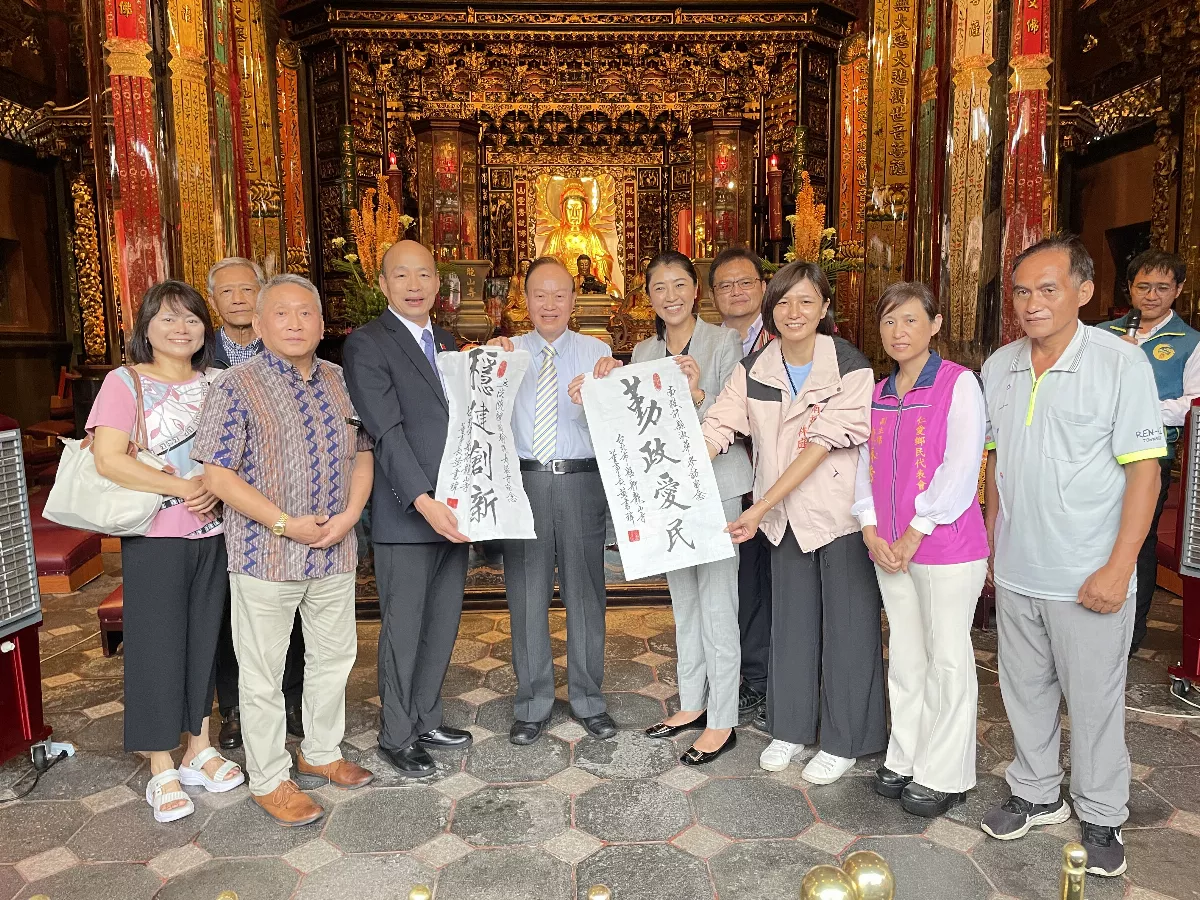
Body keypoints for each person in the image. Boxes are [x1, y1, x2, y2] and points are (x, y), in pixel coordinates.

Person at [979, 234, 1165, 877]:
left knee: (1094, 700)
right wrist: (991, 543)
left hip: (1089, 571)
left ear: (1083, 293)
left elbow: (1145, 474)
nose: (1033, 303)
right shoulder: (999, 365)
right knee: (1023, 691)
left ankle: (1102, 810)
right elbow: (997, 459)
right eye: (1023, 291)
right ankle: (1034, 792)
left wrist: (1119, 569)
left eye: (1048, 289)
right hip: (1018, 565)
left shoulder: (1121, 364)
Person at [194, 274, 375, 827]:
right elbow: (218, 475)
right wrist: (283, 523)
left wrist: (347, 517)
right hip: (266, 554)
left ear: (322, 324)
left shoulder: (342, 380)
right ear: (259, 322)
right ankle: (270, 777)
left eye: (306, 314)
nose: (296, 324)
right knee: (262, 669)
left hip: (333, 549)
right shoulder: (236, 385)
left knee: (334, 656)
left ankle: (321, 751)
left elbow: (363, 453)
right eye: (282, 314)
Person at [701, 260, 886, 785]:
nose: (793, 312)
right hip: (783, 521)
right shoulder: (755, 367)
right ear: (770, 310)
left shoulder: (850, 366)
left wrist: (757, 509)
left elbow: (818, 448)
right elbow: (720, 422)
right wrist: (678, 457)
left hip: (837, 518)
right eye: (783, 302)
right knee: (792, 627)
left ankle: (847, 739)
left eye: (806, 301)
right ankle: (791, 727)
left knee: (848, 629)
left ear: (825, 307)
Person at [88, 281, 242, 824]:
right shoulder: (124, 381)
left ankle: (198, 747)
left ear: (207, 328)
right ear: (146, 328)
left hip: (216, 534)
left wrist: (217, 491)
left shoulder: (220, 383)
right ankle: (160, 764)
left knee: (206, 640)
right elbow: (109, 459)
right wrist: (184, 488)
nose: (182, 329)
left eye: (193, 319)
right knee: (156, 647)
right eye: (168, 319)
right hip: (155, 536)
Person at [851, 282, 989, 817]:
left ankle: (945, 771)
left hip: (945, 546)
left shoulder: (958, 384)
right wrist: (869, 527)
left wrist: (916, 529)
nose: (899, 332)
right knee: (906, 656)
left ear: (934, 325)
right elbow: (863, 465)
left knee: (947, 658)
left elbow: (960, 467)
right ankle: (905, 755)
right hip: (887, 547)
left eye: (910, 320)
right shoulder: (878, 391)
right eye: (889, 322)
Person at [342, 240, 473, 779]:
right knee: (402, 627)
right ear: (383, 284)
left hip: (456, 511)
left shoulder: (445, 341)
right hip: (408, 513)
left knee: (441, 623)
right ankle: (397, 733)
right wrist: (423, 500)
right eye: (402, 276)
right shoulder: (367, 344)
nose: (415, 285)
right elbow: (386, 430)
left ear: (438, 283)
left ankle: (426, 716)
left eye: (424, 274)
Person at [489, 257, 622, 745]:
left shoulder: (597, 351)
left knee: (586, 590)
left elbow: (613, 425)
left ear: (574, 300)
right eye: (539, 295)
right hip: (524, 482)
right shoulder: (507, 352)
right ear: (525, 301)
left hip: (582, 480)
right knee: (526, 593)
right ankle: (532, 702)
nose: (549, 304)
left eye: (559, 294)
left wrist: (604, 391)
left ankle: (589, 698)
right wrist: (490, 362)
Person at [625, 251, 751, 764]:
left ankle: (723, 719)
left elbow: (736, 410)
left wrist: (696, 390)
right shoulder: (642, 351)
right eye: (660, 287)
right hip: (668, 491)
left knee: (719, 602)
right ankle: (692, 703)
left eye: (680, 285)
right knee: (684, 603)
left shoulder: (725, 341)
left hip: (718, 485)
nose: (671, 296)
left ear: (695, 291)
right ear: (649, 296)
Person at [206, 257, 306, 752]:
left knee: (294, 604)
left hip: (288, 505)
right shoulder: (201, 356)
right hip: (220, 503)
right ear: (214, 302)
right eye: (229, 292)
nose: (241, 299)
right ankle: (236, 709)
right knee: (233, 614)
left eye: (250, 289)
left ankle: (292, 699)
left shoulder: (296, 351)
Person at [1098, 250, 1198, 655]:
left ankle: (1131, 633)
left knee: (1138, 538)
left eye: (1162, 287)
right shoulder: (1101, 333)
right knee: (1095, 534)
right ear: (1129, 288)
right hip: (1097, 452)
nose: (1151, 295)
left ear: (1178, 289)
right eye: (1143, 286)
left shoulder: (1189, 343)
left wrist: (1138, 405)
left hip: (1151, 455)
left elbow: (1192, 404)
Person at [709, 246, 773, 719]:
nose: (736, 291)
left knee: (767, 583)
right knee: (739, 582)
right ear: (711, 295)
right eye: (725, 285)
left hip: (772, 480)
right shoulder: (708, 342)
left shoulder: (779, 338)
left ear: (763, 287)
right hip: (727, 484)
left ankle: (765, 677)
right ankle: (745, 676)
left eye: (744, 282)